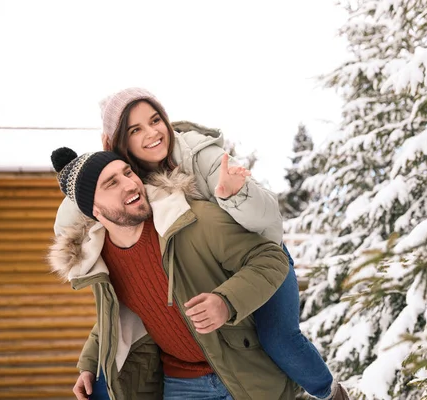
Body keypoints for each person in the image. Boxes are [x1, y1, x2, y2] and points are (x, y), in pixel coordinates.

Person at [54, 88, 350, 400]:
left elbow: (267, 237)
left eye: (155, 120)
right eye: (135, 129)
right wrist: (89, 363)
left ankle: (328, 393)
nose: (152, 133)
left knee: (278, 338)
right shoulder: (115, 220)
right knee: (102, 386)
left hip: (256, 249)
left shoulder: (199, 158)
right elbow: (115, 312)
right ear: (118, 144)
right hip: (189, 366)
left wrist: (236, 195)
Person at [48, 147, 297, 399]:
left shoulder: (191, 220)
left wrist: (227, 301)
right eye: (112, 183)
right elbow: (112, 317)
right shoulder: (101, 260)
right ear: (95, 210)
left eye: (128, 172)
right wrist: (90, 365)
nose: (131, 184)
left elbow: (271, 258)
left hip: (245, 373)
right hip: (180, 384)